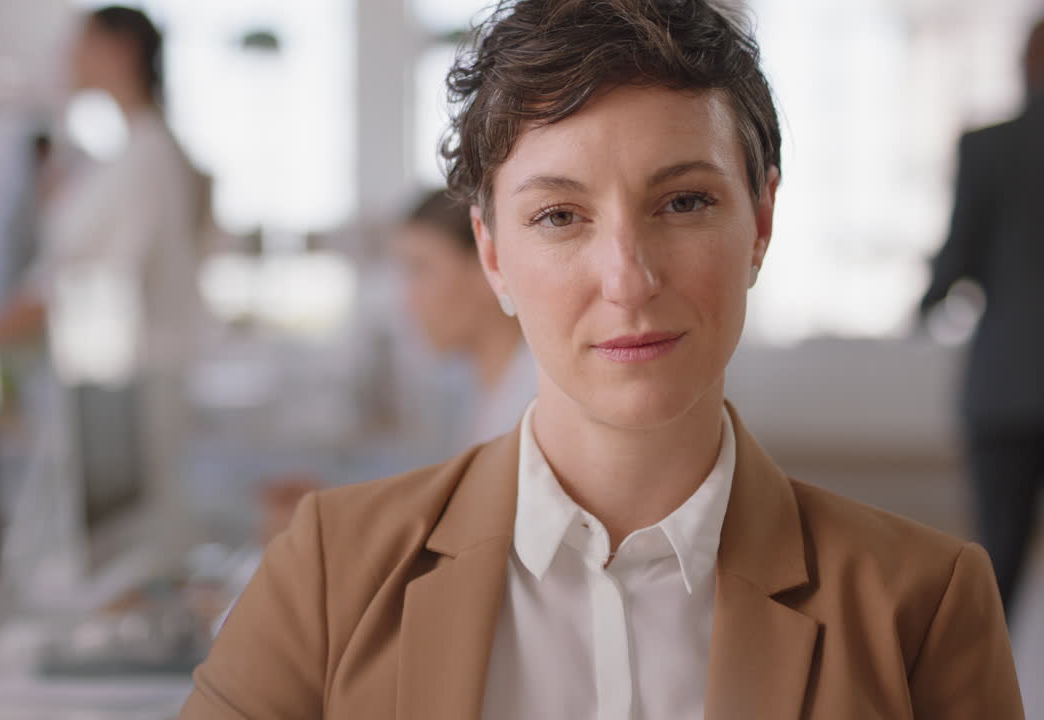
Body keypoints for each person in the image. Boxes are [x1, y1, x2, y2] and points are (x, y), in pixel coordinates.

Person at [182, 1, 1024, 718]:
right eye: (559, 216)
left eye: (684, 202)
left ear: (760, 224)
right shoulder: (330, 571)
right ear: (493, 254)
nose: (628, 279)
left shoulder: (922, 603)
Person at [0, 6, 210, 553]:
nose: (67, 58)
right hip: (118, 391)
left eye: (79, 44)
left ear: (120, 51)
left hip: (132, 394)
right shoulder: (137, 152)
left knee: (130, 547)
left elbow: (82, 282)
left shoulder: (146, 158)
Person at [920, 19, 1044, 623]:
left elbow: (958, 259)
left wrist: (927, 302)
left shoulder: (988, 148)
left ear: (1026, 64)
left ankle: (985, 678)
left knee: (1000, 554)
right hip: (1007, 387)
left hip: (1005, 386)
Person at [393, 189, 537, 447]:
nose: (408, 301)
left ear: (488, 264)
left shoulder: (541, 407)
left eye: (421, 268)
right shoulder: (479, 393)